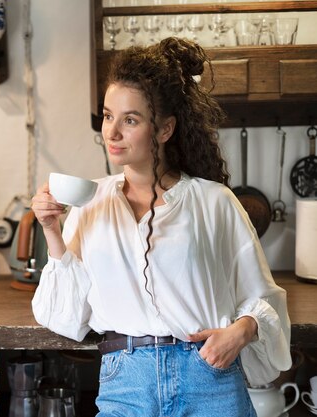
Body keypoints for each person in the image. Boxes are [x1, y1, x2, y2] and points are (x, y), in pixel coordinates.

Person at [30, 37, 291, 417]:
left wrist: (243, 330)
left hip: (208, 376)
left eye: (130, 119)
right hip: (126, 379)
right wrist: (52, 229)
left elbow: (265, 298)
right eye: (107, 116)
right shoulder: (91, 204)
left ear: (165, 129)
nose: (112, 132)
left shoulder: (214, 201)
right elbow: (65, 317)